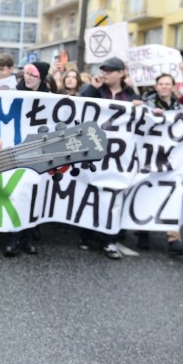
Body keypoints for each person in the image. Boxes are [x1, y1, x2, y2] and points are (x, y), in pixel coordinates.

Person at [78, 56, 138, 259]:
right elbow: (79, 103)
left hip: (118, 157)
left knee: (113, 196)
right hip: (95, 153)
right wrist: (91, 88)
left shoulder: (130, 96)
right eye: (103, 70)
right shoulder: (96, 90)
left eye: (110, 70)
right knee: (90, 192)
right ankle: (86, 234)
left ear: (121, 73)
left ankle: (108, 239)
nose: (105, 73)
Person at [133, 73, 183, 255]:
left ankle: (174, 238)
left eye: (168, 84)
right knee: (146, 192)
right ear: (156, 86)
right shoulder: (146, 103)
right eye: (161, 84)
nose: (165, 87)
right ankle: (143, 231)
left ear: (173, 86)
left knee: (172, 193)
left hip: (170, 159)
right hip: (149, 156)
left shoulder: (179, 107)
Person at [4, 61, 51, 257]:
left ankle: (29, 237)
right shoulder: (14, 93)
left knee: (34, 194)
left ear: (41, 77)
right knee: (18, 193)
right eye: (26, 74)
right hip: (17, 151)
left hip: (40, 153)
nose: (28, 78)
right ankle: (14, 238)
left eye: (33, 75)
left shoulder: (50, 97)